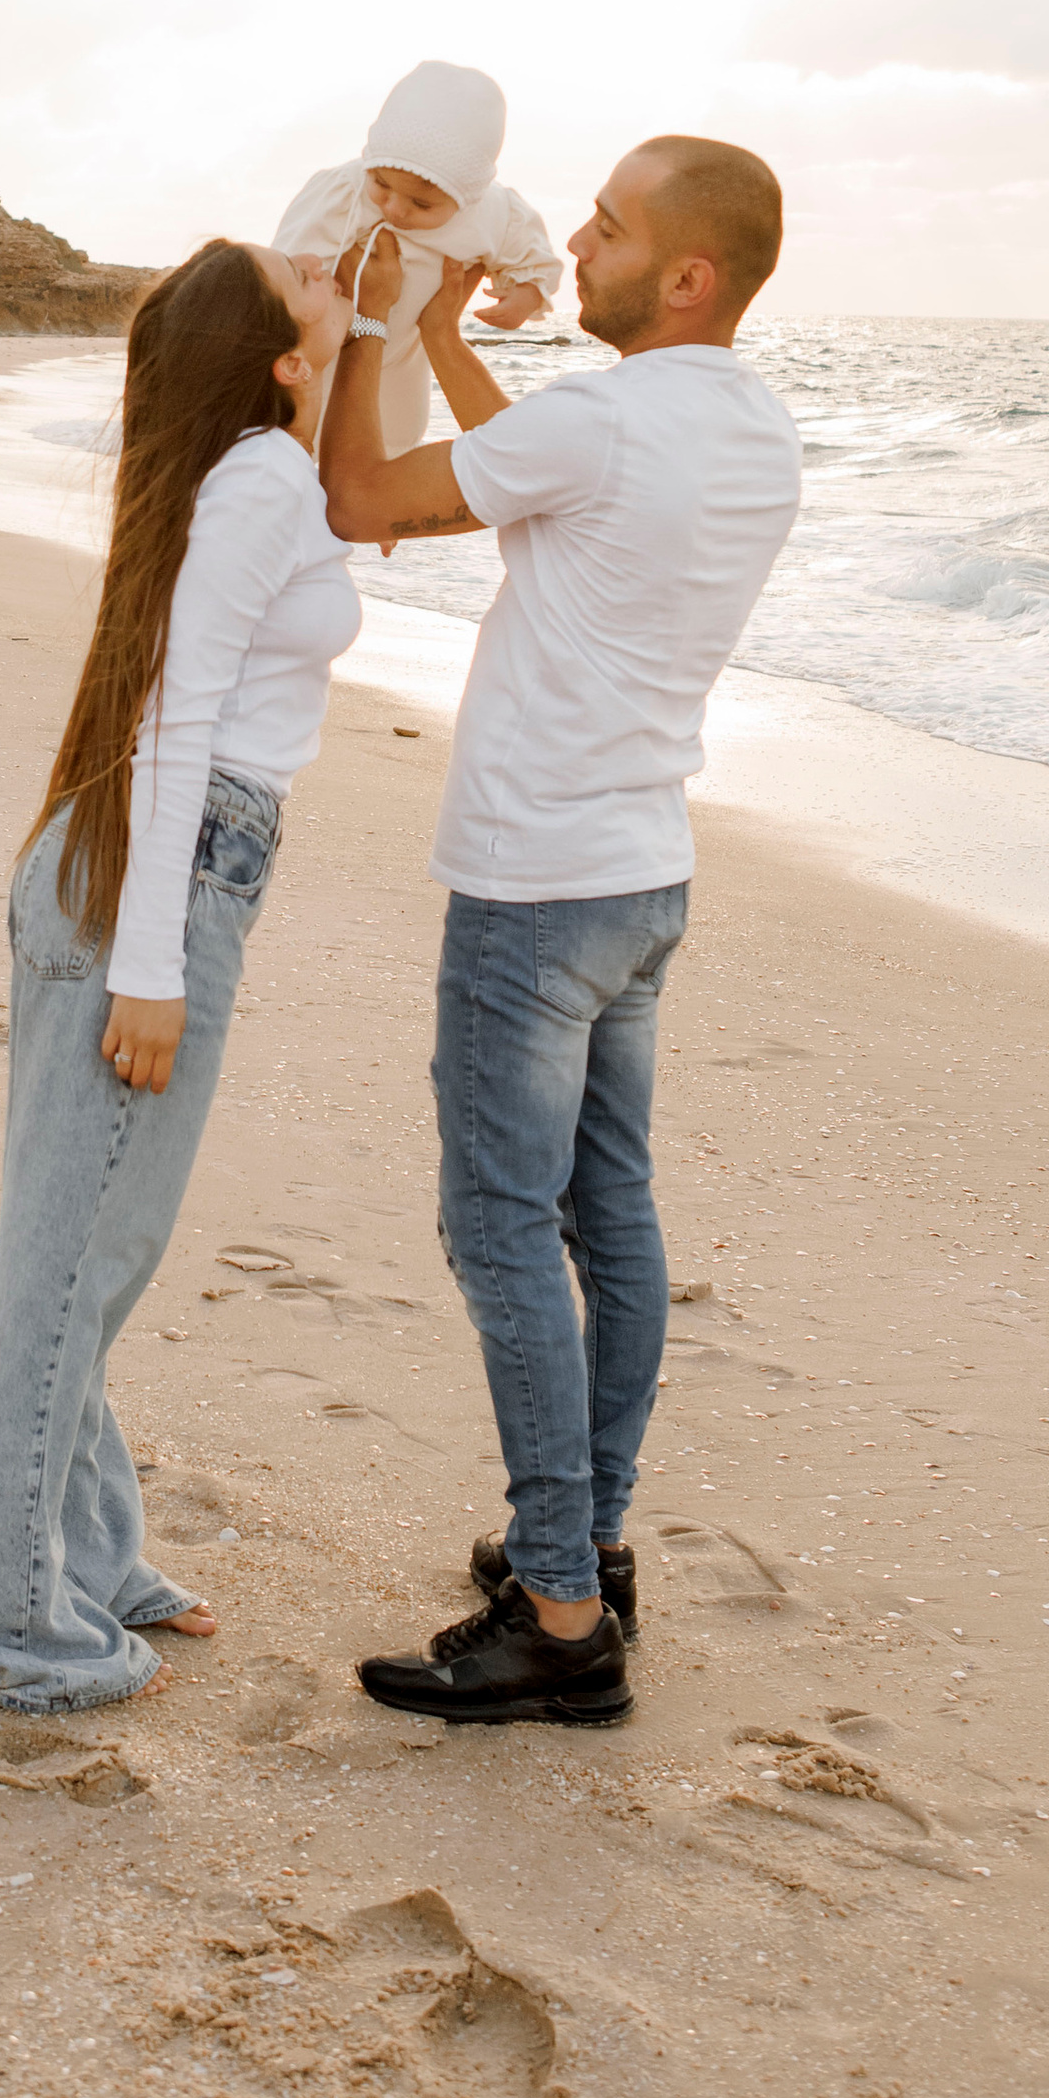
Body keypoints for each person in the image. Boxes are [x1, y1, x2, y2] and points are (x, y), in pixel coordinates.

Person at [321, 138, 801, 1727]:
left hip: (533, 889)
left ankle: (559, 1612)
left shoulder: (599, 424)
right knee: (614, 1218)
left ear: (688, 276)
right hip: (641, 878)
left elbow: (360, 501)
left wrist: (365, 328)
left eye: (609, 228)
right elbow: (550, 482)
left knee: (500, 1226)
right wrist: (454, 330)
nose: (576, 244)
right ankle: (587, 1537)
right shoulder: (746, 429)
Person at [0, 237, 358, 1717]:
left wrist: (400, 308)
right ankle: (11, 1619)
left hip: (136, 864)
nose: (321, 252)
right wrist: (152, 967)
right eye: (293, 266)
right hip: (154, 879)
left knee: (87, 1256)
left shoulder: (261, 465)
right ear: (268, 352)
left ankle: (86, 1555)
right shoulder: (255, 481)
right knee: (72, 1268)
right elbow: (180, 720)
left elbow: (361, 454)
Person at [274, 59, 561, 454]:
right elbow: (288, 265)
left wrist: (525, 295)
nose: (394, 208)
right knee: (291, 429)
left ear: (468, 196)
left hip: (403, 357)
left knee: (394, 438)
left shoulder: (495, 214)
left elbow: (535, 259)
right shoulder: (346, 188)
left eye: (421, 204)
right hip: (321, 348)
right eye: (382, 184)